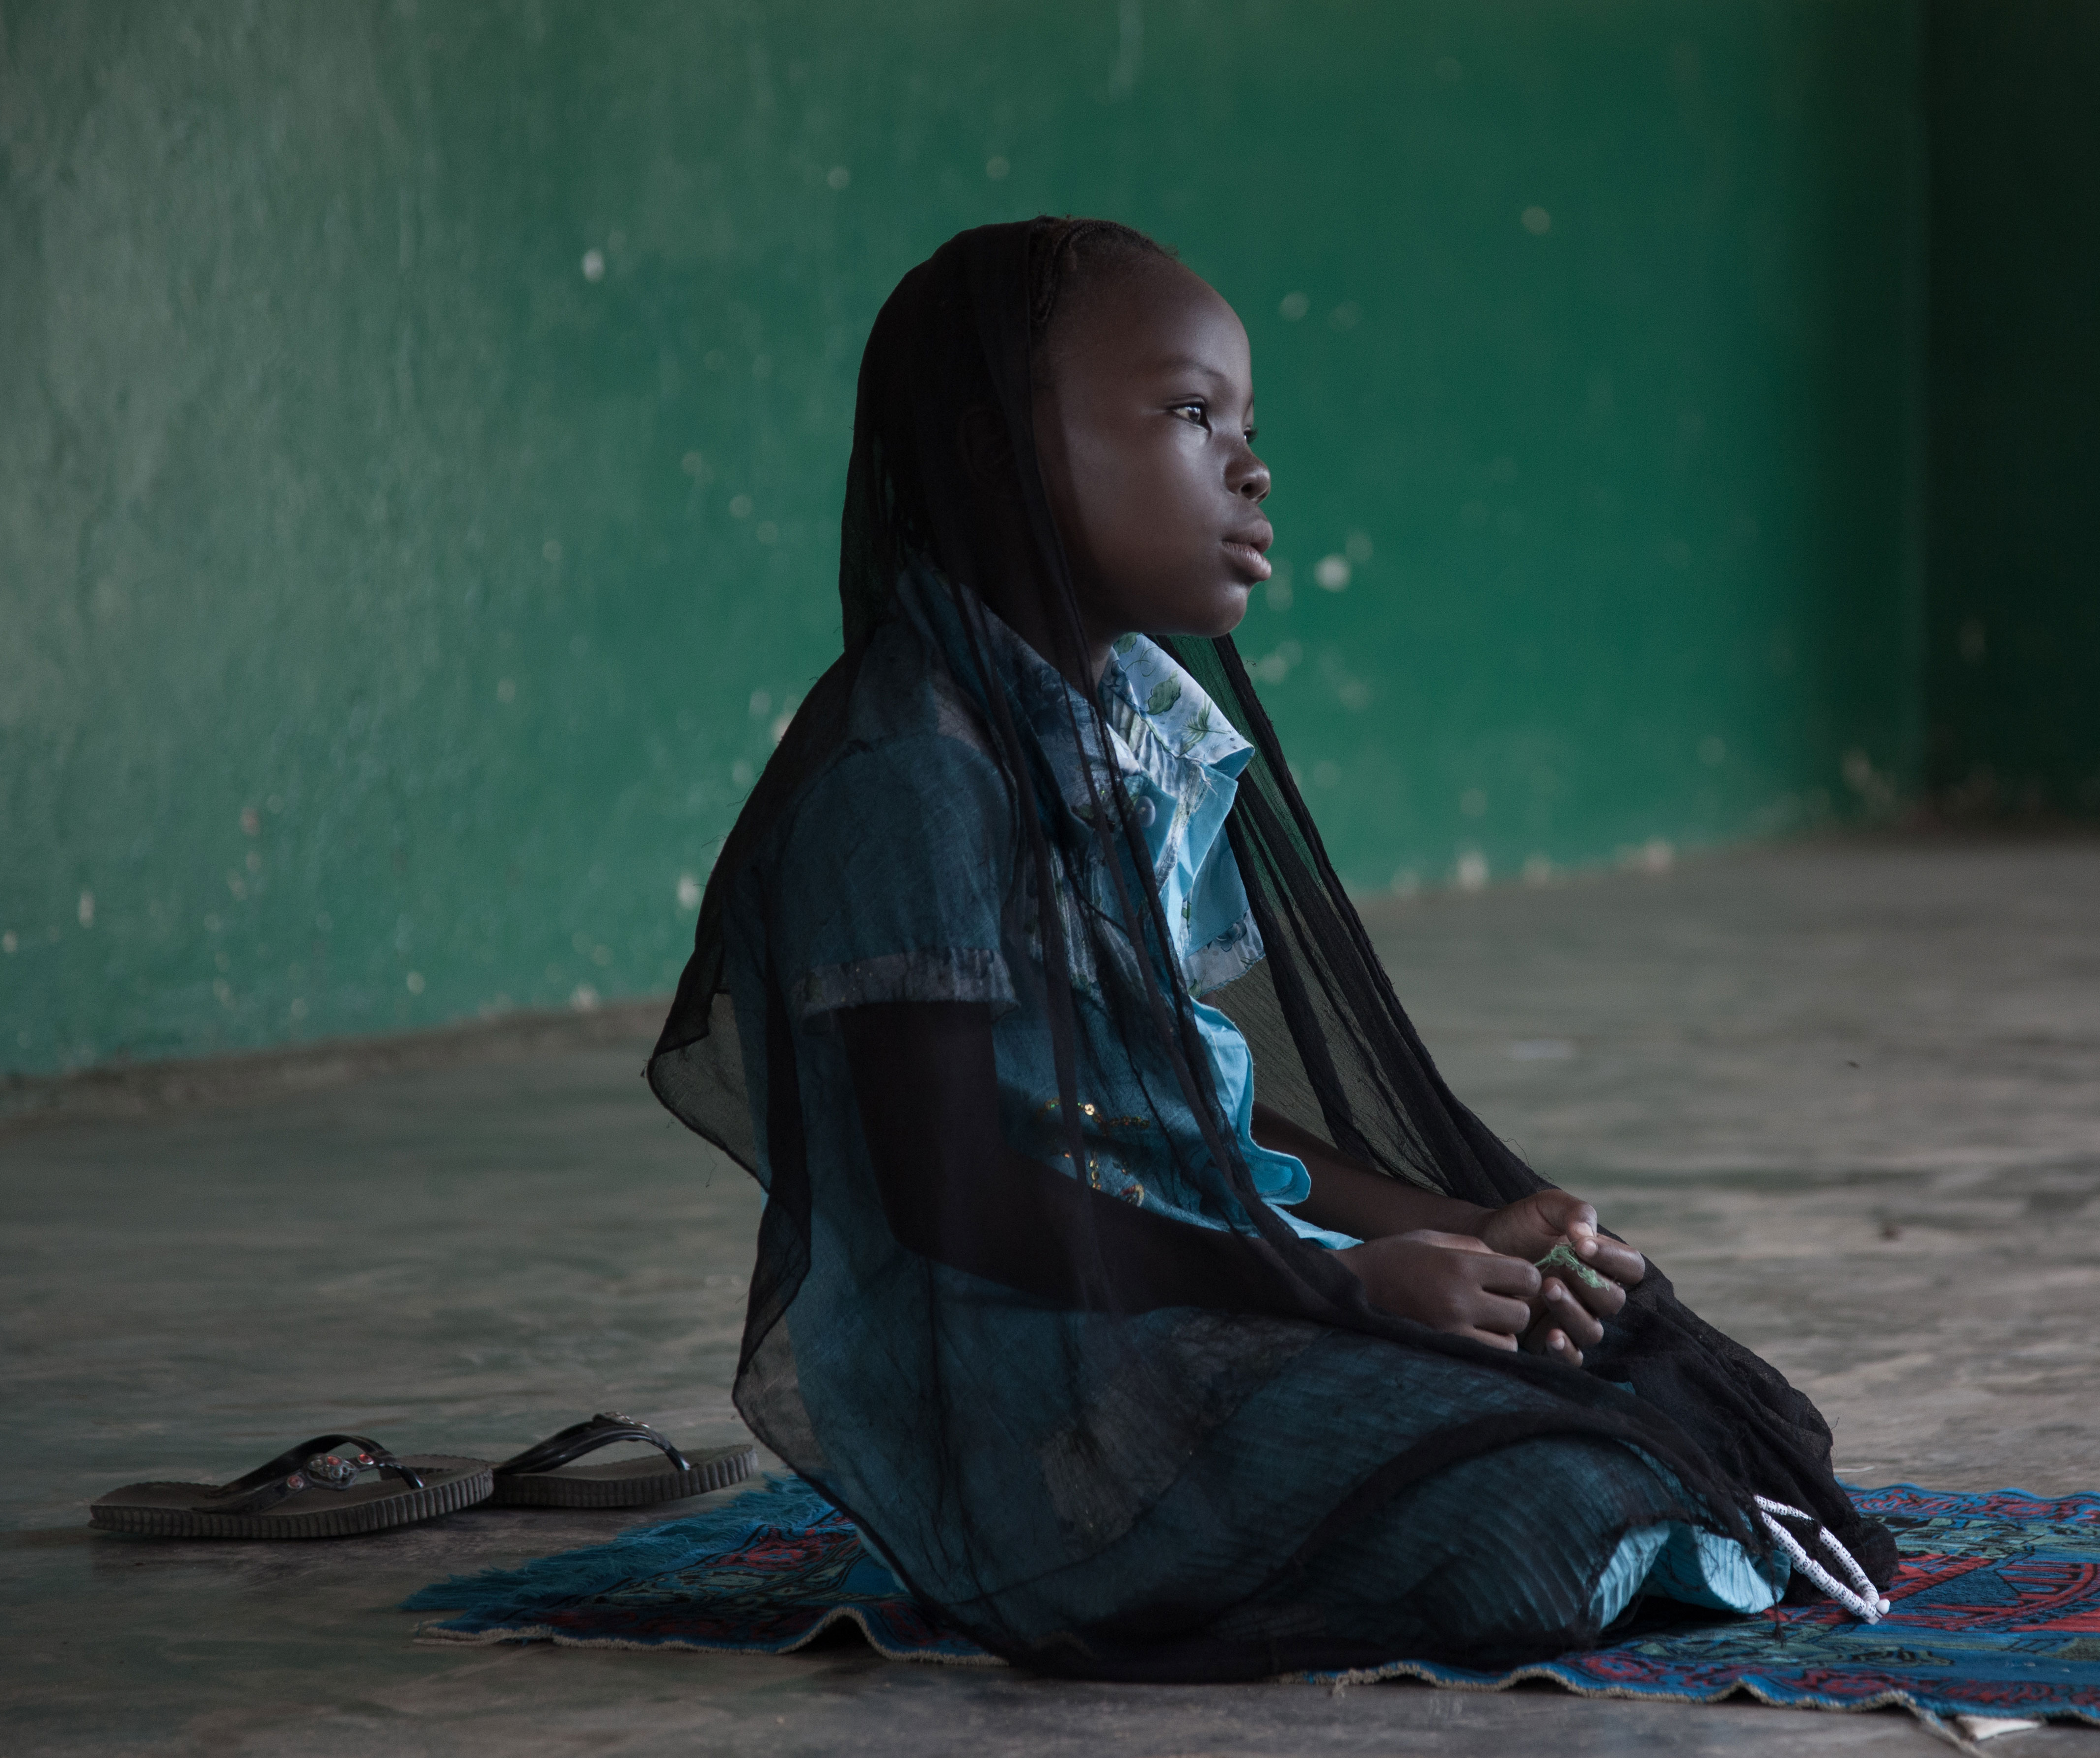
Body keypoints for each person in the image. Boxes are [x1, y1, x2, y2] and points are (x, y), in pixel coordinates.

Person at [650, 217, 1893, 1681]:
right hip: (1059, 1382)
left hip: (1194, 1289)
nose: (1250, 467)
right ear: (992, 453)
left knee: (1676, 1374)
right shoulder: (912, 773)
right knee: (1541, 1505)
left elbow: (1183, 1111)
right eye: (1189, 414)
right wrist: (1333, 1290)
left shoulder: (1124, 727)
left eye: (1245, 424)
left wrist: (1429, 1224)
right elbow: (954, 1200)